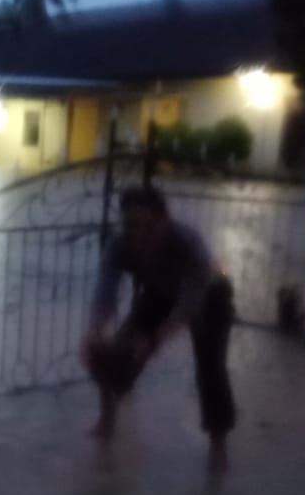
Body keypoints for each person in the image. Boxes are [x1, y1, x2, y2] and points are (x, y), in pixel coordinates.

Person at [81, 186, 236, 471]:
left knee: (210, 367)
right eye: (130, 226)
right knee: (113, 348)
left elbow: (189, 305)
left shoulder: (188, 244)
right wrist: (93, 332)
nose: (138, 234)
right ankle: (107, 419)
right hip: (160, 291)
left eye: (147, 226)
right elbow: (105, 293)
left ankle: (218, 443)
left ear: (164, 219)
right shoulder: (120, 246)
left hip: (209, 295)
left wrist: (153, 342)